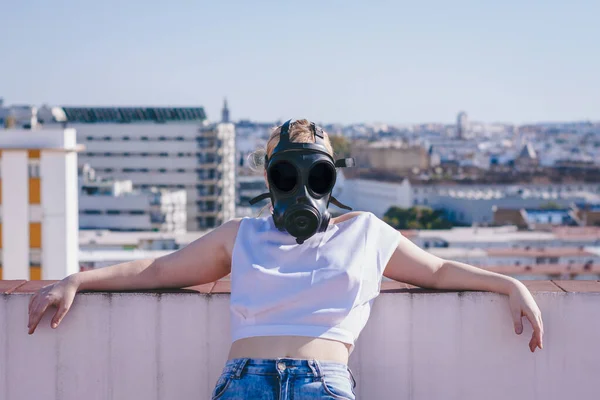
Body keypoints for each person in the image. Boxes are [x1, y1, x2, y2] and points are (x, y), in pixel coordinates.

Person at [27, 119, 544, 400]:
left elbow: (436, 271)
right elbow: (160, 270)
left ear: (331, 178)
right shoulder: (241, 236)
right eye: (286, 177)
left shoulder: (367, 231)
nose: (302, 191)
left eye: (315, 177)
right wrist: (80, 280)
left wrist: (508, 285)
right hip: (244, 382)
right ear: (270, 182)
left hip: (324, 383)